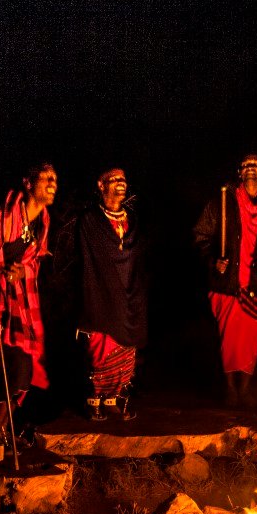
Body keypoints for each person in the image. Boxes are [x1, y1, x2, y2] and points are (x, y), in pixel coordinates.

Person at [193, 153, 257, 409]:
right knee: (229, 339)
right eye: (246, 165)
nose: (251, 169)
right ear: (239, 171)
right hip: (228, 283)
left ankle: (245, 389)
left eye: (256, 165)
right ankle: (230, 389)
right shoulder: (222, 202)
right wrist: (213, 260)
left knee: (253, 339)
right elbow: (200, 236)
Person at [52, 166, 149, 421]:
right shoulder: (90, 220)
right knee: (100, 347)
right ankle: (94, 400)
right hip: (100, 294)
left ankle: (114, 399)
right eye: (114, 179)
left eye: (123, 179)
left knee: (125, 349)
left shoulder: (133, 221)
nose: (120, 183)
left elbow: (135, 258)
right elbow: (90, 260)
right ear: (101, 184)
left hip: (128, 296)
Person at [0, 161, 58, 444]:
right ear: (27, 182)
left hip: (19, 305)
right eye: (45, 177)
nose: (52, 183)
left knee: (23, 369)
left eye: (54, 179)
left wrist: (23, 271)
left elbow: (33, 261)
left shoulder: (42, 222)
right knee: (0, 366)